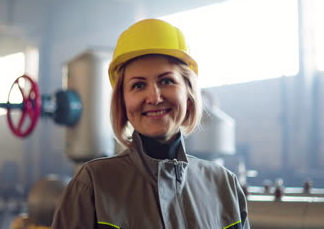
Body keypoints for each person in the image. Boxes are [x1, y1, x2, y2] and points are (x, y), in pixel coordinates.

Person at [51, 19, 249, 228]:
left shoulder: (224, 186)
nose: (154, 98)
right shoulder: (92, 185)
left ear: (189, 92)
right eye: (138, 85)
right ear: (122, 100)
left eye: (166, 81)